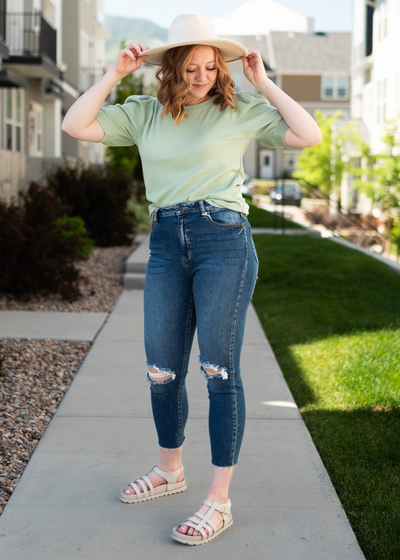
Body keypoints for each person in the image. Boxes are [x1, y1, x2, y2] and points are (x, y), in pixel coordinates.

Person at [62, 13, 322, 546]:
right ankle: (170, 470)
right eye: (192, 67)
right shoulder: (144, 113)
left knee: (218, 370)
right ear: (171, 69)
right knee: (161, 369)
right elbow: (75, 125)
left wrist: (265, 82)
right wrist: (113, 76)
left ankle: (219, 500)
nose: (202, 76)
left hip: (223, 239)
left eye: (210, 66)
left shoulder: (240, 108)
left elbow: (308, 134)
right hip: (164, 242)